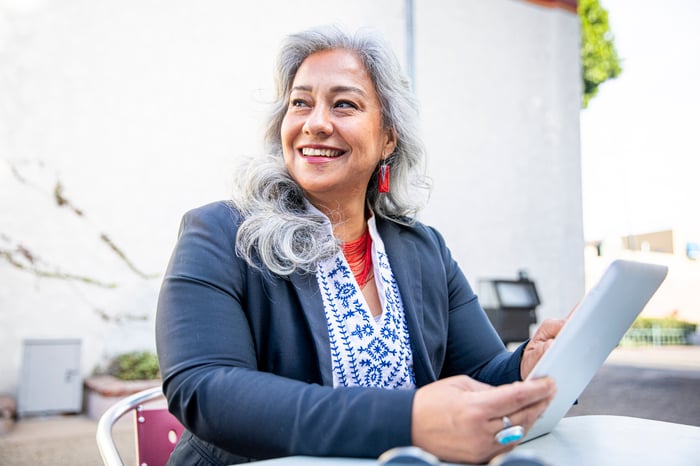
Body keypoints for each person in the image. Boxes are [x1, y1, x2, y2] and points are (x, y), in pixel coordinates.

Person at [156, 25, 565, 465]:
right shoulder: (221, 233)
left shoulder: (423, 249)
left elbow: (480, 374)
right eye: (301, 103)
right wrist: (408, 420)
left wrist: (528, 366)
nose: (315, 124)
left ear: (389, 136)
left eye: (344, 104)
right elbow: (205, 389)